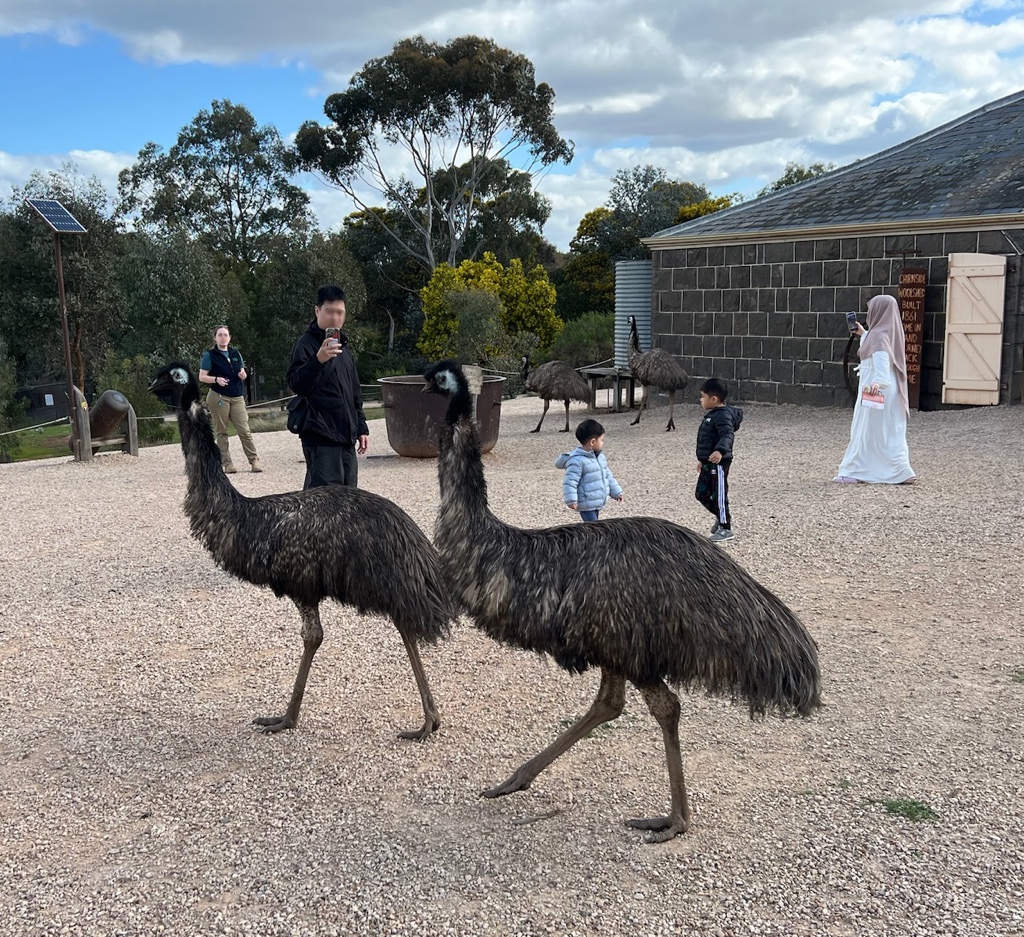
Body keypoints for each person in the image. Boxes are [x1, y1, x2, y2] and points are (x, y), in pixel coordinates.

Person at [286, 284, 369, 489]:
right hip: (320, 433)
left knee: (349, 501)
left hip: (345, 435)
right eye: (329, 311)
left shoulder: (343, 346)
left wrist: (361, 427)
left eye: (340, 312)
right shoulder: (305, 344)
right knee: (322, 502)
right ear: (317, 311)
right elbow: (296, 384)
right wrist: (318, 360)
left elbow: (354, 393)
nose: (335, 317)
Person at [833, 294, 917, 485]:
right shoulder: (889, 332)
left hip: (877, 388)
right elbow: (878, 349)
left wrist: (876, 385)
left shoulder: (879, 336)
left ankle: (854, 469)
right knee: (889, 431)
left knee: (866, 429)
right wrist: (863, 334)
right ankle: (900, 469)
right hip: (890, 390)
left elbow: (881, 366)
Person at [199, 325, 262, 474]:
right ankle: (227, 463)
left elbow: (242, 372)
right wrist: (215, 379)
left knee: (244, 430)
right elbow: (202, 376)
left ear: (229, 338)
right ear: (215, 338)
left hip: (237, 396)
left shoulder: (235, 354)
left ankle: (254, 460)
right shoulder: (210, 355)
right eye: (220, 335)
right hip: (218, 396)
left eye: (225, 335)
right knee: (222, 431)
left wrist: (243, 375)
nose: (223, 337)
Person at [695, 377, 743, 543]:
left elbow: (727, 435)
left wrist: (720, 451)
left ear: (713, 399)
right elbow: (707, 439)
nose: (701, 400)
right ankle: (721, 515)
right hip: (708, 463)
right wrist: (702, 459)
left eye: (702, 396)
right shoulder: (711, 416)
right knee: (701, 494)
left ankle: (725, 527)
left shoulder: (723, 416)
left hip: (719, 464)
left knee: (719, 494)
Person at [555, 418, 624, 522]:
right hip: (586, 502)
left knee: (595, 527)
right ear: (592, 442)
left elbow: (608, 476)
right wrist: (571, 500)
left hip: (597, 501)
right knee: (593, 527)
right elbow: (570, 482)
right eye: (601, 440)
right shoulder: (577, 461)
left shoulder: (600, 458)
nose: (602, 443)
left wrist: (617, 492)